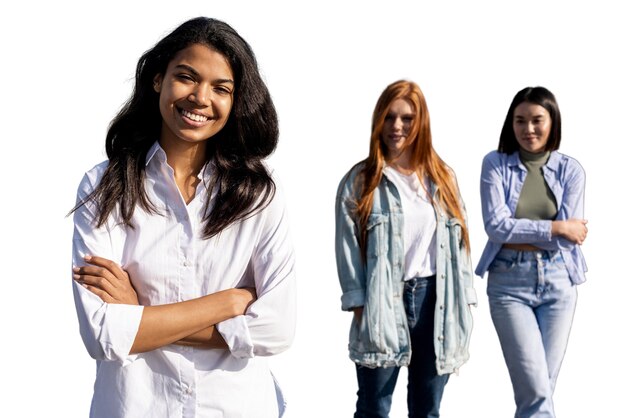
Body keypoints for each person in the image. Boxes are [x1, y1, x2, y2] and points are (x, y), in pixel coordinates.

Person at [70, 17, 296, 418]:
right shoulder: (102, 186)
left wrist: (140, 316)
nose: (200, 98)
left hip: (236, 407)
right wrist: (228, 302)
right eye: (187, 78)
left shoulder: (260, 193)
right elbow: (102, 334)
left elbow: (276, 329)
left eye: (220, 88)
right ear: (158, 79)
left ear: (236, 100)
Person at [335, 80, 477, 418]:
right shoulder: (361, 181)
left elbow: (459, 245)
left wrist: (465, 298)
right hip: (382, 300)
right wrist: (359, 305)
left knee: (427, 409)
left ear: (421, 122)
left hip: (436, 300)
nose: (396, 126)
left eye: (407, 118)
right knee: (374, 408)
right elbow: (347, 247)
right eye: (389, 117)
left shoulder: (443, 178)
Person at [475, 86, 587, 418]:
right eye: (520, 121)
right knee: (536, 391)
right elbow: (495, 226)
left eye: (537, 120)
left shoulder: (571, 170)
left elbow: (573, 237)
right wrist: (554, 227)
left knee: (540, 391)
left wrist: (547, 231)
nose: (528, 130)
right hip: (509, 283)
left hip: (559, 281)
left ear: (553, 123)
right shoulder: (495, 164)